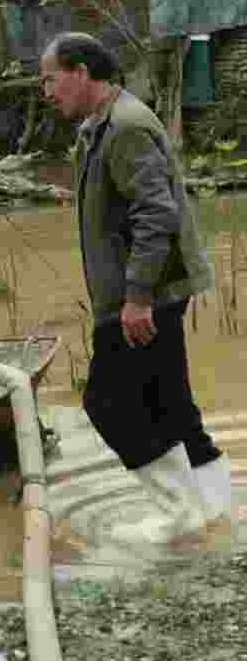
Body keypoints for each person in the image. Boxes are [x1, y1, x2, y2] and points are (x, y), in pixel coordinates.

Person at [39, 32, 232, 542]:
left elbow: (156, 215)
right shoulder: (102, 126)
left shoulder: (123, 127)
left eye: (50, 78)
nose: (45, 91)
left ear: (80, 72)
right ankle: (214, 514)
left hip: (145, 296)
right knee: (171, 404)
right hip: (150, 290)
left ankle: (179, 515)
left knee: (107, 403)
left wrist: (137, 299)